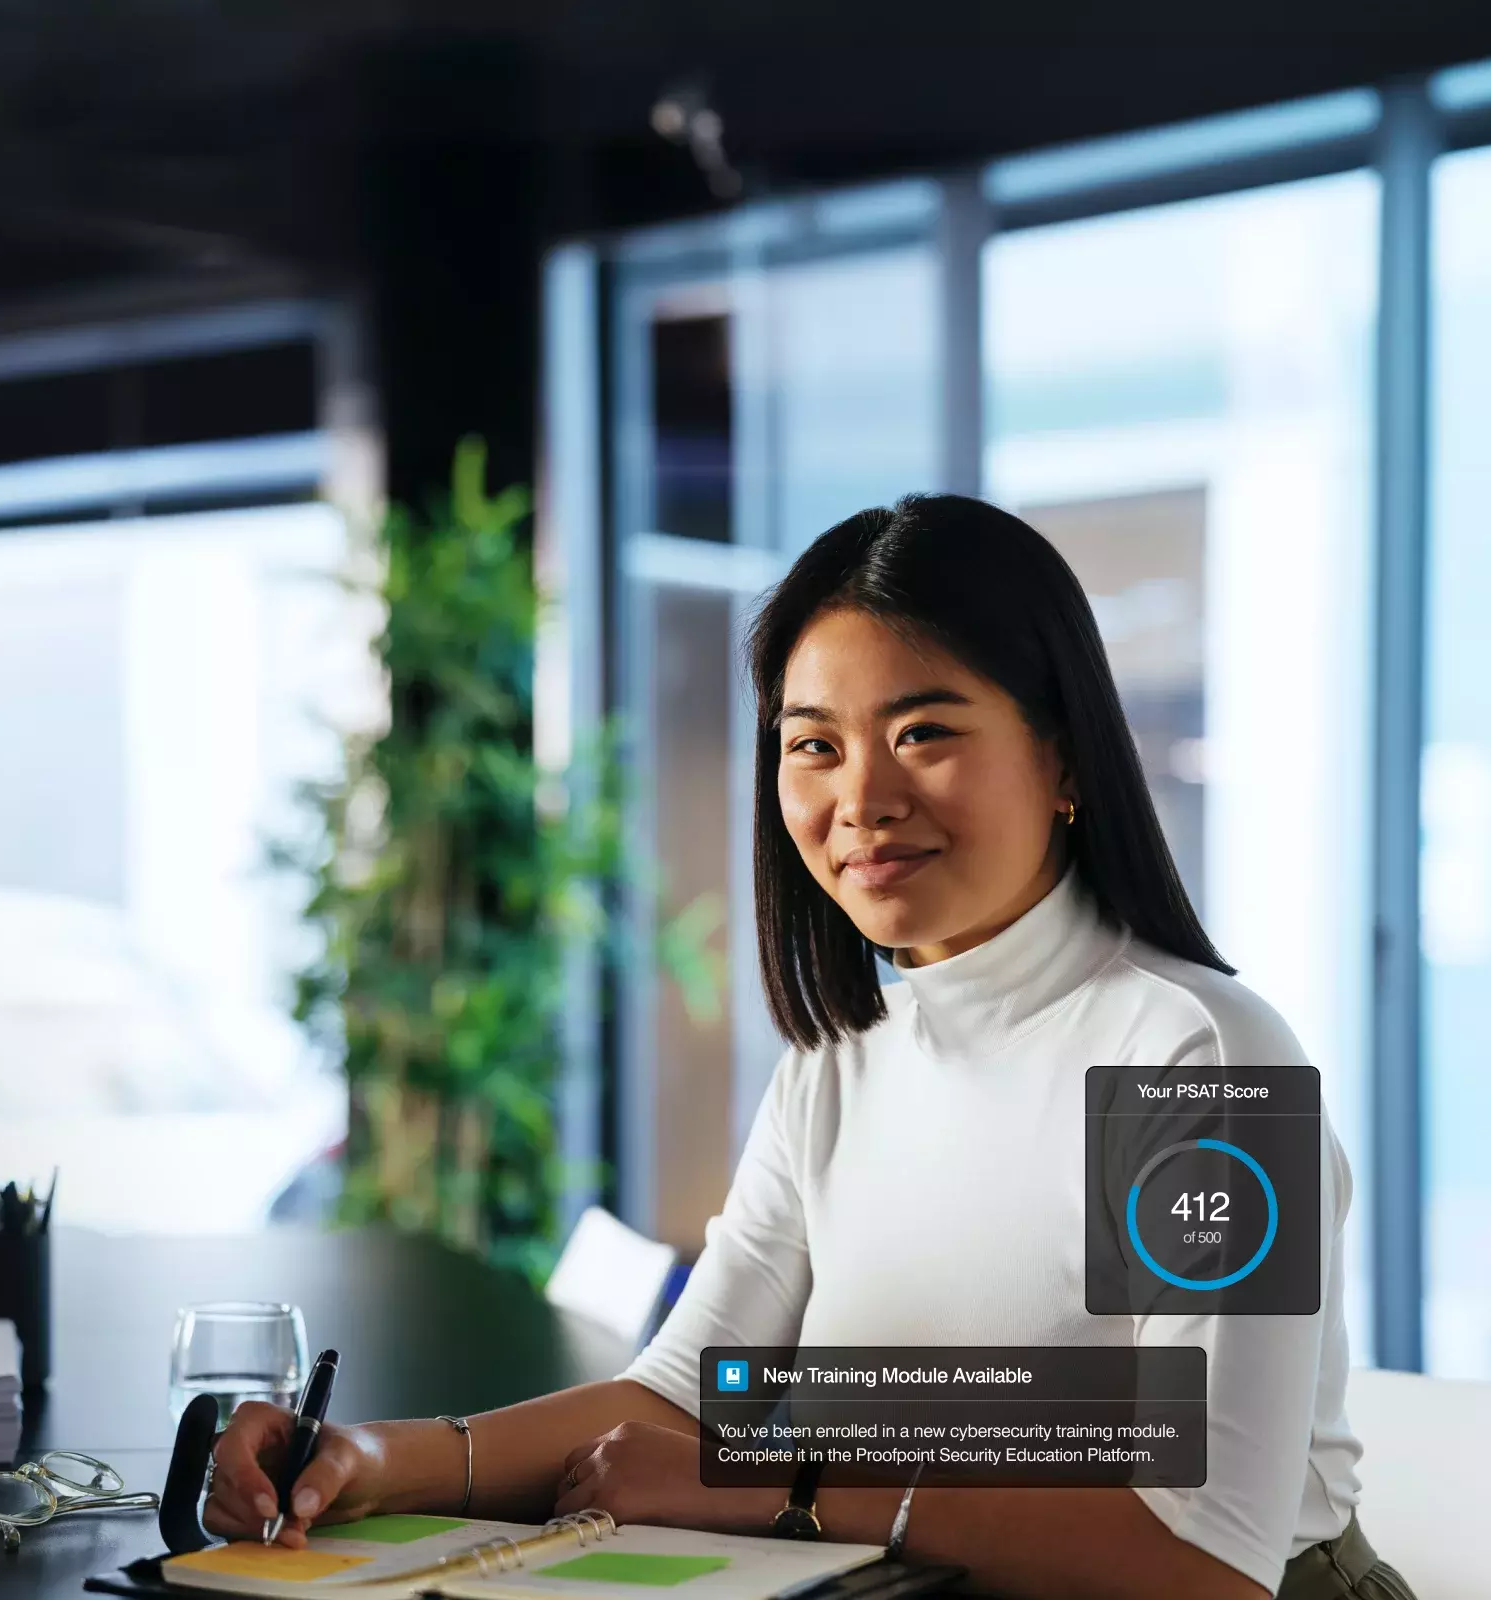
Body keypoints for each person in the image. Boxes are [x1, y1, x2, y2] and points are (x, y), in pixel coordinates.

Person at [208, 496, 1411, 1600]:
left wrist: (783, 1486)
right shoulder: (841, 1061)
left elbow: (1205, 1566)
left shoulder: (1204, 1063)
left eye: (925, 731)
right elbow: (680, 1397)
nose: (862, 800)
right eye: (814, 744)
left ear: (1063, 760)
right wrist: (372, 1456)